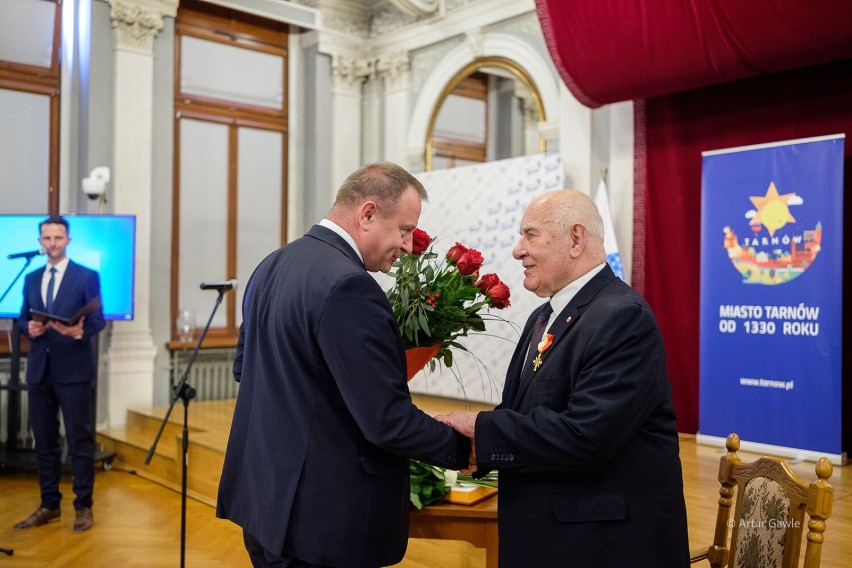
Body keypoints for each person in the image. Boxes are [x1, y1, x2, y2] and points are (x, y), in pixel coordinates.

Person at [216, 162, 471, 568]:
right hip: (321, 522)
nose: (408, 246)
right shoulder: (349, 286)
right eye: (404, 230)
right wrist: (468, 449)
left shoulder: (271, 265)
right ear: (367, 213)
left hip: (265, 506)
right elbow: (386, 421)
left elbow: (244, 370)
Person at [438, 190, 690, 567]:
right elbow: (521, 413)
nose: (517, 250)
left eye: (530, 235)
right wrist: (479, 448)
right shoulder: (544, 315)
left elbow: (586, 436)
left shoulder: (623, 318)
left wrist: (483, 431)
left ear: (576, 238)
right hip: (551, 536)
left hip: (601, 547)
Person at [14, 215, 106, 533]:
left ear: (68, 240)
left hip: (74, 369)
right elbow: (21, 319)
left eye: (58, 237)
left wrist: (79, 331)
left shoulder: (86, 276)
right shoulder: (30, 278)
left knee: (79, 442)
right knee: (44, 441)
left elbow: (99, 320)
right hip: (40, 369)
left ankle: (83, 508)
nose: (52, 243)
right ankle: (49, 504)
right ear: (40, 242)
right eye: (46, 238)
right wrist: (30, 327)